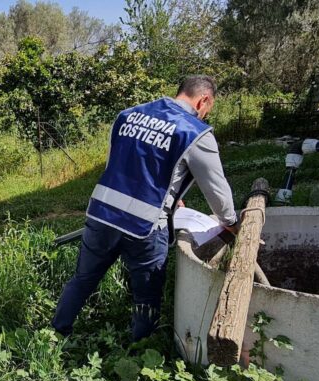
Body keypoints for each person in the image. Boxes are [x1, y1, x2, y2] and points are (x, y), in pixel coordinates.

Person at [52, 75, 238, 341]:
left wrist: (171, 195)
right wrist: (230, 221)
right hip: (145, 227)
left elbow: (123, 164)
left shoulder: (128, 115)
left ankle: (57, 334)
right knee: (146, 294)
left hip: (102, 214)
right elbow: (216, 189)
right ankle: (140, 351)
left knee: (82, 279)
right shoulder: (195, 132)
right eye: (208, 108)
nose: (206, 114)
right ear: (203, 100)